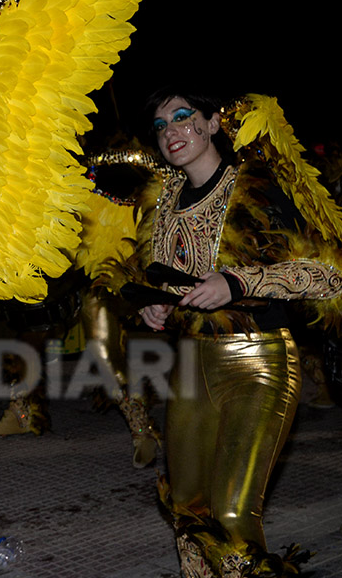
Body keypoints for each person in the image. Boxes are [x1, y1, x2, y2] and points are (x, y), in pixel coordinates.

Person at [119, 88, 342, 576]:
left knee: (234, 512)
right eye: (161, 126)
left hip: (259, 363)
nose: (171, 132)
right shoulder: (163, 207)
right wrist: (154, 310)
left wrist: (240, 281)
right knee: (187, 507)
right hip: (192, 366)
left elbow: (328, 275)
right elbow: (160, 284)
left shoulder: (259, 185)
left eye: (182, 117)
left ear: (213, 123)